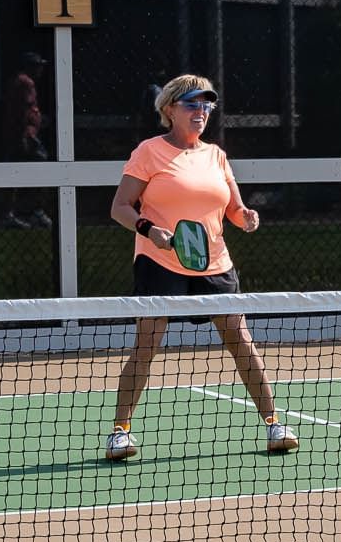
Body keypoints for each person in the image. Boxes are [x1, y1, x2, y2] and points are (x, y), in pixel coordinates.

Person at [102, 75, 299, 461]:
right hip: (160, 261)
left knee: (240, 340)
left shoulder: (216, 156)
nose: (201, 112)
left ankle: (275, 423)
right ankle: (120, 432)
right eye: (192, 104)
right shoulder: (148, 152)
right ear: (170, 108)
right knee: (148, 343)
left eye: (207, 105)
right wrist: (148, 229)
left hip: (214, 263)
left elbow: (234, 209)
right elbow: (120, 207)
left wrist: (247, 217)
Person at [0, 51, 52, 227]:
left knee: (17, 173)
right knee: (40, 168)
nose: (40, 69)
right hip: (26, 135)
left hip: (22, 133)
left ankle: (14, 212)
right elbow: (22, 110)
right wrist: (25, 134)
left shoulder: (18, 81)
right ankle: (34, 210)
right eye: (37, 65)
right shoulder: (25, 82)